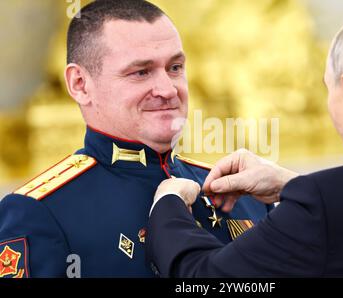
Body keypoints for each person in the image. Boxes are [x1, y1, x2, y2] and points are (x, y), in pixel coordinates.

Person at [146, 3, 343, 277]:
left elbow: (204, 280)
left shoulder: (324, 205)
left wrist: (168, 204)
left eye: (327, 88)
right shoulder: (331, 201)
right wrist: (293, 187)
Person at [0, 0, 270, 278]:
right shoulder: (41, 212)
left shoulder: (242, 196)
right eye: (141, 72)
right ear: (80, 84)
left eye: (175, 67)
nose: (168, 89)